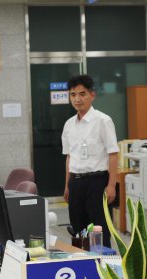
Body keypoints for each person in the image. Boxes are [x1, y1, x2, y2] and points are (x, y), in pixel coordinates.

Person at [61, 75, 119, 247]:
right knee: (78, 231)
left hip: (97, 183)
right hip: (76, 183)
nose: (77, 99)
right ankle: (82, 266)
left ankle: (102, 270)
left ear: (92, 95)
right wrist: (67, 185)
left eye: (82, 94)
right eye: (73, 95)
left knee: (99, 231)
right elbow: (69, 157)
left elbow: (113, 154)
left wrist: (111, 185)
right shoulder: (69, 124)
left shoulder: (103, 121)